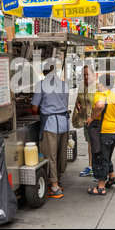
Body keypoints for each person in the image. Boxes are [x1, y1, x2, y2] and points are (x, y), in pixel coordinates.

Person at [31, 60, 70, 199]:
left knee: (50, 155)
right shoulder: (64, 84)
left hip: (50, 124)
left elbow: (34, 107)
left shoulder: (42, 84)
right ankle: (58, 180)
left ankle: (54, 187)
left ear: (44, 71)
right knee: (61, 153)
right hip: (64, 123)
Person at [85, 74, 115, 196]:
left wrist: (92, 117)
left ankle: (101, 187)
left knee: (101, 158)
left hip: (104, 131)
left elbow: (100, 105)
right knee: (107, 156)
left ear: (101, 84)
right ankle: (112, 177)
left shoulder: (100, 95)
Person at [74, 65, 97, 178]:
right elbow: (78, 99)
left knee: (98, 144)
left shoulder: (98, 86)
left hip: (97, 120)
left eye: (88, 74)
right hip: (85, 120)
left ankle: (99, 168)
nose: (86, 77)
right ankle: (91, 167)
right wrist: (77, 104)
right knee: (90, 143)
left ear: (94, 75)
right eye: (84, 74)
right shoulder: (81, 85)